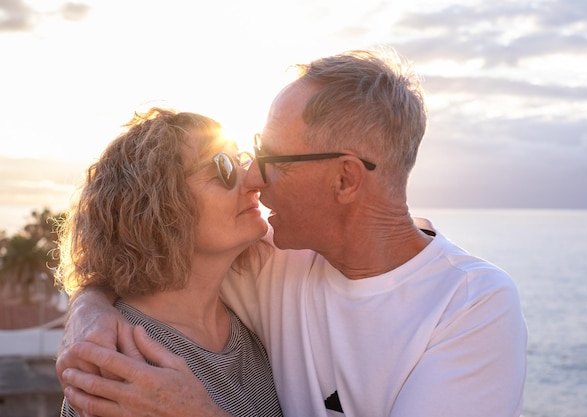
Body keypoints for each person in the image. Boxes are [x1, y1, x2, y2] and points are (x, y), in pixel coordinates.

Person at [57, 49, 528, 417]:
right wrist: (89, 313)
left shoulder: (468, 306)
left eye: (272, 159)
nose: (255, 179)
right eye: (246, 155)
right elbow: (142, 255)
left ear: (344, 179)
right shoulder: (270, 257)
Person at [54, 108, 283, 417]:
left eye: (240, 159)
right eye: (223, 167)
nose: (254, 178)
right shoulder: (120, 362)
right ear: (158, 205)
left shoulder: (249, 317)